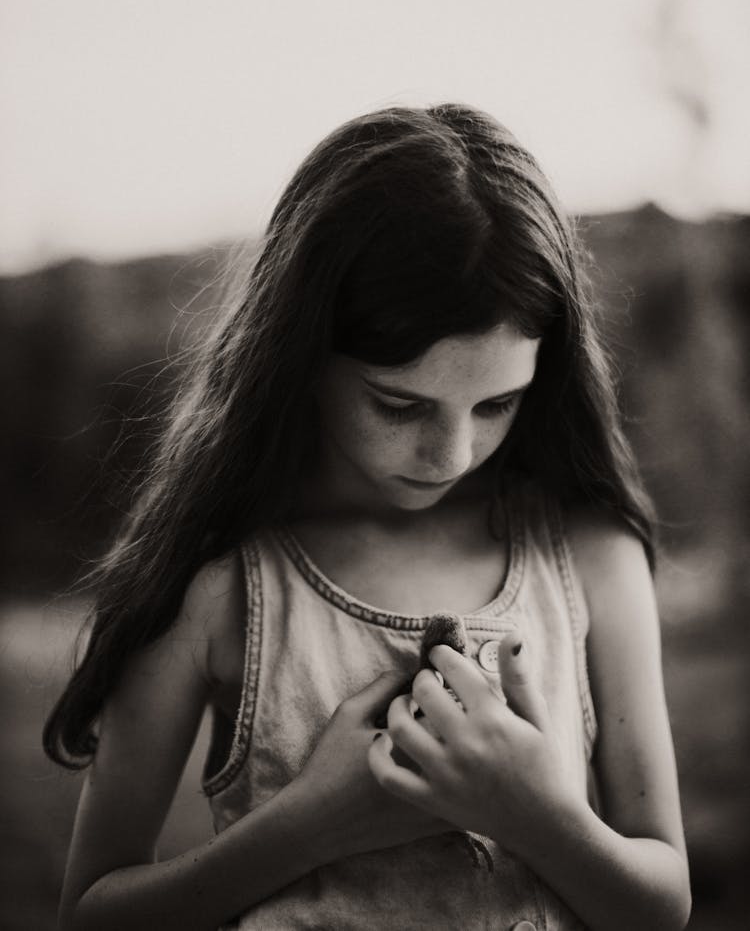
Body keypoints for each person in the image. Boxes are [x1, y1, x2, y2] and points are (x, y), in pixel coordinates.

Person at [45, 104, 691, 931]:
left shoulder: (590, 556)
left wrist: (536, 813)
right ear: (302, 354)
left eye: (497, 403)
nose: (451, 453)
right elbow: (90, 913)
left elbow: (661, 905)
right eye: (399, 404)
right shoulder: (218, 581)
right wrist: (313, 822)